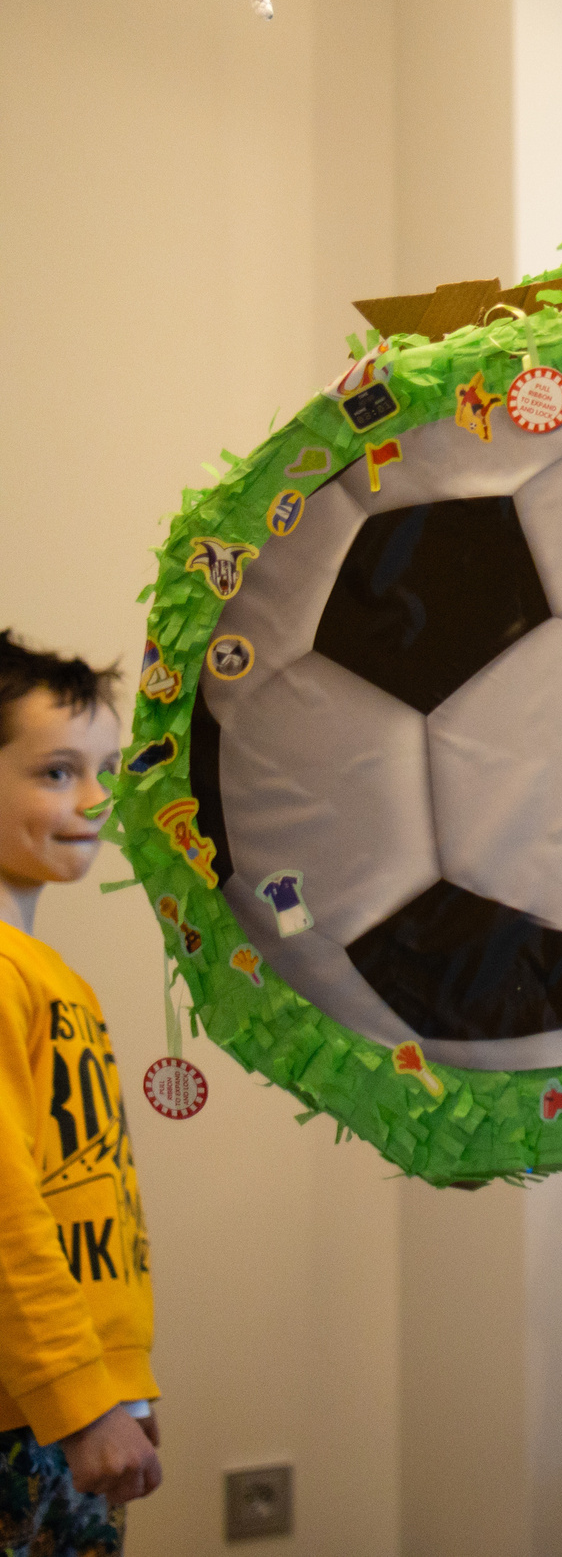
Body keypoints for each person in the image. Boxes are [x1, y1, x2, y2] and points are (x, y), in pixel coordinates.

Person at [0, 633, 162, 1554]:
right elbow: (9, 1212)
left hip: (67, 1408)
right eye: (58, 772)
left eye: (105, 771)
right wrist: (81, 1399)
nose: (97, 801)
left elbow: (90, 1198)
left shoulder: (47, 973)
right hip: (28, 1417)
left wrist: (126, 1386)